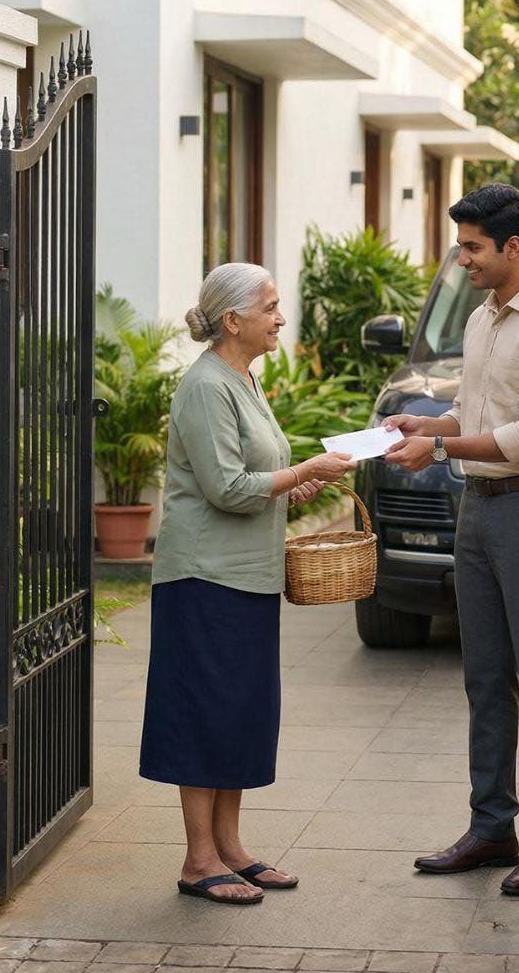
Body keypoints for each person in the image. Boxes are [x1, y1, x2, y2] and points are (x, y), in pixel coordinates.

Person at [384, 184, 519, 896]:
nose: (463, 258)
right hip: (480, 507)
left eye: (473, 246)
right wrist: (427, 427)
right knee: (484, 678)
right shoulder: (483, 318)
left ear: (513, 247)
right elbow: (477, 407)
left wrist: (440, 452)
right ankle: (491, 827)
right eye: (461, 245)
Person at [139, 262, 356, 905]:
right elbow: (228, 490)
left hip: (247, 576)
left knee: (239, 712)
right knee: (205, 712)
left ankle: (230, 849)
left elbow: (258, 478)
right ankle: (197, 860)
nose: (280, 318)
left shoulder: (244, 380)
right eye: (270, 307)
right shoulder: (206, 386)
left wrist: (300, 482)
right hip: (204, 577)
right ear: (232, 320)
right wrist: (305, 469)